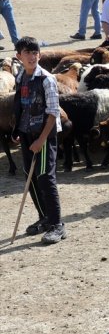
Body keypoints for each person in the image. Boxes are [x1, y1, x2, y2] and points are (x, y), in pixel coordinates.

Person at [10, 36, 66, 244]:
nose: (32, 57)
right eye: (28, 53)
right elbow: (21, 106)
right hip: (26, 133)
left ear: (39, 55)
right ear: (19, 57)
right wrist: (16, 130)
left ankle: (57, 225)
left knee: (44, 177)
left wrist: (42, 139)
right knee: (30, 177)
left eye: (35, 53)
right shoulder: (20, 77)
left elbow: (53, 113)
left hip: (44, 134)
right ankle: (45, 218)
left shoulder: (47, 80)